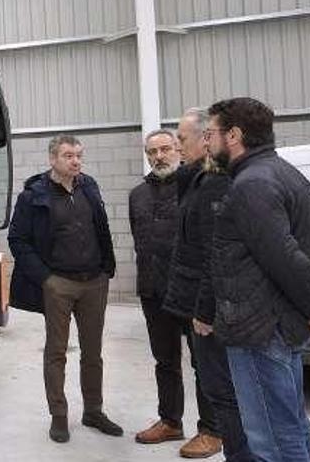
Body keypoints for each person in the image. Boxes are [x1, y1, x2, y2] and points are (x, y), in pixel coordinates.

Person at [204, 97, 310, 462]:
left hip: (259, 332)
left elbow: (286, 259)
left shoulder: (250, 186)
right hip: (283, 326)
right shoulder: (289, 175)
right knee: (291, 427)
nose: (207, 142)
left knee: (271, 441)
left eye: (211, 133)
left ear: (234, 135)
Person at [9, 135, 122, 443]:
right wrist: (46, 279)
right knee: (56, 352)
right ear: (52, 159)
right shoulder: (34, 195)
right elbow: (17, 240)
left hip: (94, 282)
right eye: (69, 155)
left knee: (93, 352)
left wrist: (107, 268)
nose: (76, 161)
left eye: (79, 155)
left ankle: (94, 410)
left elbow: (102, 228)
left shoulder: (89, 186)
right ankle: (59, 415)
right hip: (58, 284)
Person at [162, 108, 248, 460]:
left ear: (205, 138)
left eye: (182, 139)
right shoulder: (194, 179)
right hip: (191, 298)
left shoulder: (216, 184)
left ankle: (222, 438)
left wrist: (205, 309)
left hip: (207, 305)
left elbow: (214, 255)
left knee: (221, 388)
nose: (177, 146)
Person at [129, 129, 220, 457]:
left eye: (166, 149)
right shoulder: (137, 194)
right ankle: (170, 421)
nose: (159, 156)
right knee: (164, 360)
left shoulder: (195, 188)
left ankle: (211, 429)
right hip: (154, 292)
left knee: (203, 362)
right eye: (152, 151)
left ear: (179, 150)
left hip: (191, 293)